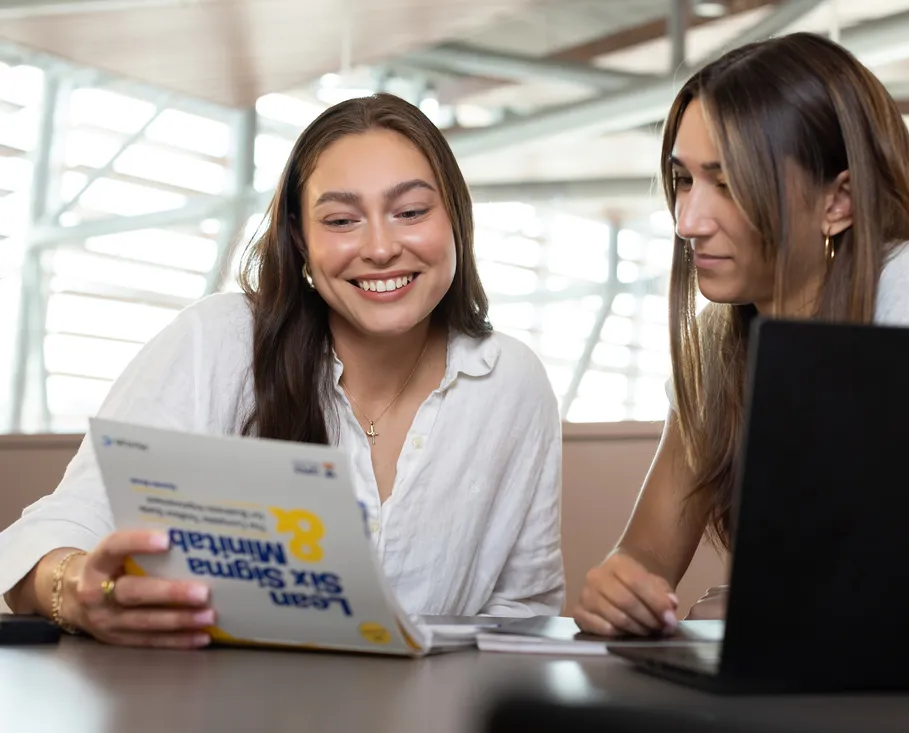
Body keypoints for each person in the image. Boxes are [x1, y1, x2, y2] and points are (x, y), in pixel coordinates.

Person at [0, 94, 565, 648]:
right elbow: (57, 530)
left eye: (411, 212)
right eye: (341, 220)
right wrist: (74, 590)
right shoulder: (219, 341)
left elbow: (522, 617)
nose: (380, 247)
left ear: (456, 221)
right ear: (301, 239)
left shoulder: (513, 383)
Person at [575, 32, 909, 637]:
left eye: (726, 183)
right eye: (684, 180)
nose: (687, 221)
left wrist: (768, 607)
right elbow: (645, 558)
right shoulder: (716, 344)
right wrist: (619, 591)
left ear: (839, 200)